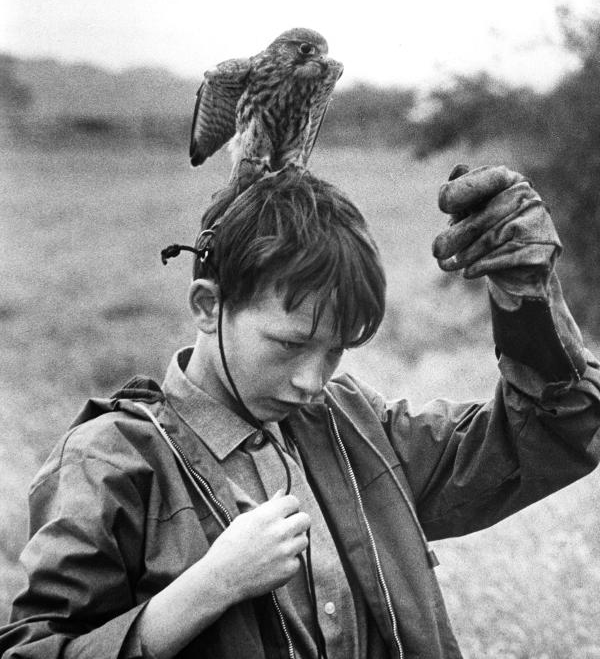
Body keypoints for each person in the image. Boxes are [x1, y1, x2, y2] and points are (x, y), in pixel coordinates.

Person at [1, 165, 599, 659]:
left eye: (335, 349)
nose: (313, 380)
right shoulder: (107, 463)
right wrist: (207, 589)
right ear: (209, 306)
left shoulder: (353, 426)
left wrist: (527, 296)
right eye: (288, 344)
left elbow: (548, 435)